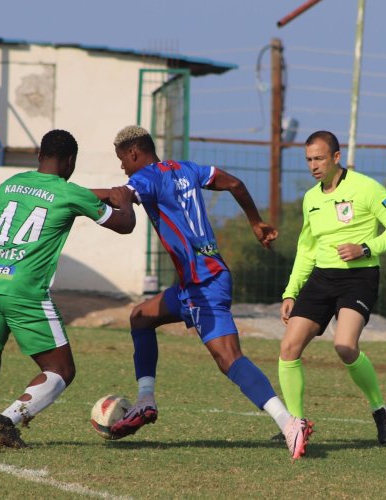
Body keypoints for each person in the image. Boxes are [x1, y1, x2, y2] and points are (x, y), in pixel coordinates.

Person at [95, 125, 313, 460]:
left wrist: (63, 195)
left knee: (229, 359)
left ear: (135, 153)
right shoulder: (187, 169)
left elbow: (117, 195)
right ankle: (146, 400)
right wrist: (256, 222)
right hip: (194, 282)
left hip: (204, 282)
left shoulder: (146, 178)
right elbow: (235, 184)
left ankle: (288, 424)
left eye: (123, 160)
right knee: (140, 317)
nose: (123, 167)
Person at [0, 129, 136, 449]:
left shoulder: (10, 184)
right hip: (24, 290)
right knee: (60, 369)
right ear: (71, 160)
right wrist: (125, 200)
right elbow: (124, 224)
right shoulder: (69, 193)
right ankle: (5, 422)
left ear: (39, 156)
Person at [278, 130, 386, 445]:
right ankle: (295, 426)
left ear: (336, 157)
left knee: (345, 346)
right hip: (322, 278)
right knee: (288, 348)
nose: (314, 165)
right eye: (309, 159)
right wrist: (290, 291)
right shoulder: (311, 198)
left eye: (319, 158)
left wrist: (366, 247)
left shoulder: (365, 187)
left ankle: (380, 410)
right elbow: (307, 249)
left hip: (359, 276)